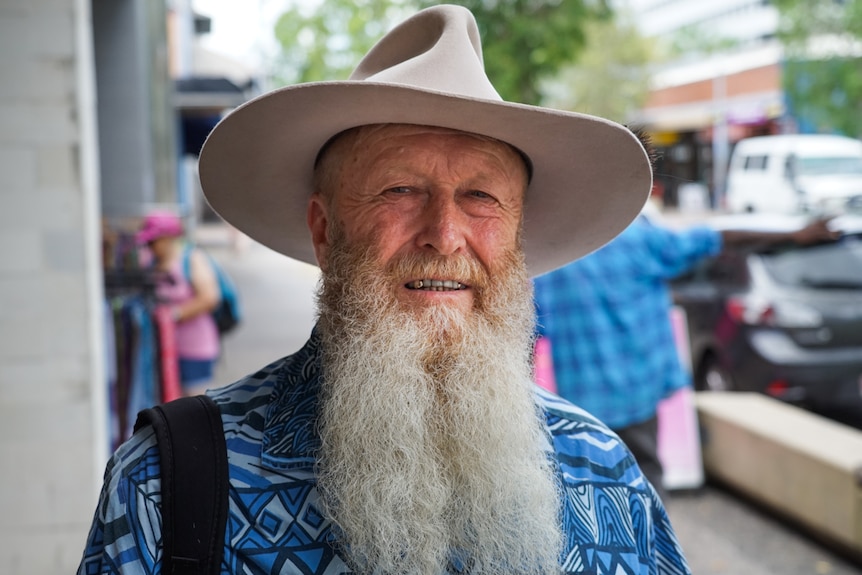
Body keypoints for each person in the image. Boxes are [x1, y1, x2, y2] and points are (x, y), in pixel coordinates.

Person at [79, 6, 692, 574]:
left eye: (481, 197)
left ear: (517, 237)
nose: (445, 236)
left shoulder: (602, 470)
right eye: (400, 190)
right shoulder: (168, 480)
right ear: (325, 230)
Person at [533, 189, 839, 497]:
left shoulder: (548, 263)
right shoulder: (638, 240)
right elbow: (716, 239)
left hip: (583, 406)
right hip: (638, 396)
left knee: (593, 494)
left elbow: (528, 333)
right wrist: (795, 235)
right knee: (645, 487)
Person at [137, 211, 221, 396]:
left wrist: (173, 315)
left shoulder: (191, 259)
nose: (149, 246)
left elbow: (210, 297)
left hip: (195, 349)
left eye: (153, 241)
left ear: (167, 238)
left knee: (194, 407)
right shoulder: (151, 263)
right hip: (164, 350)